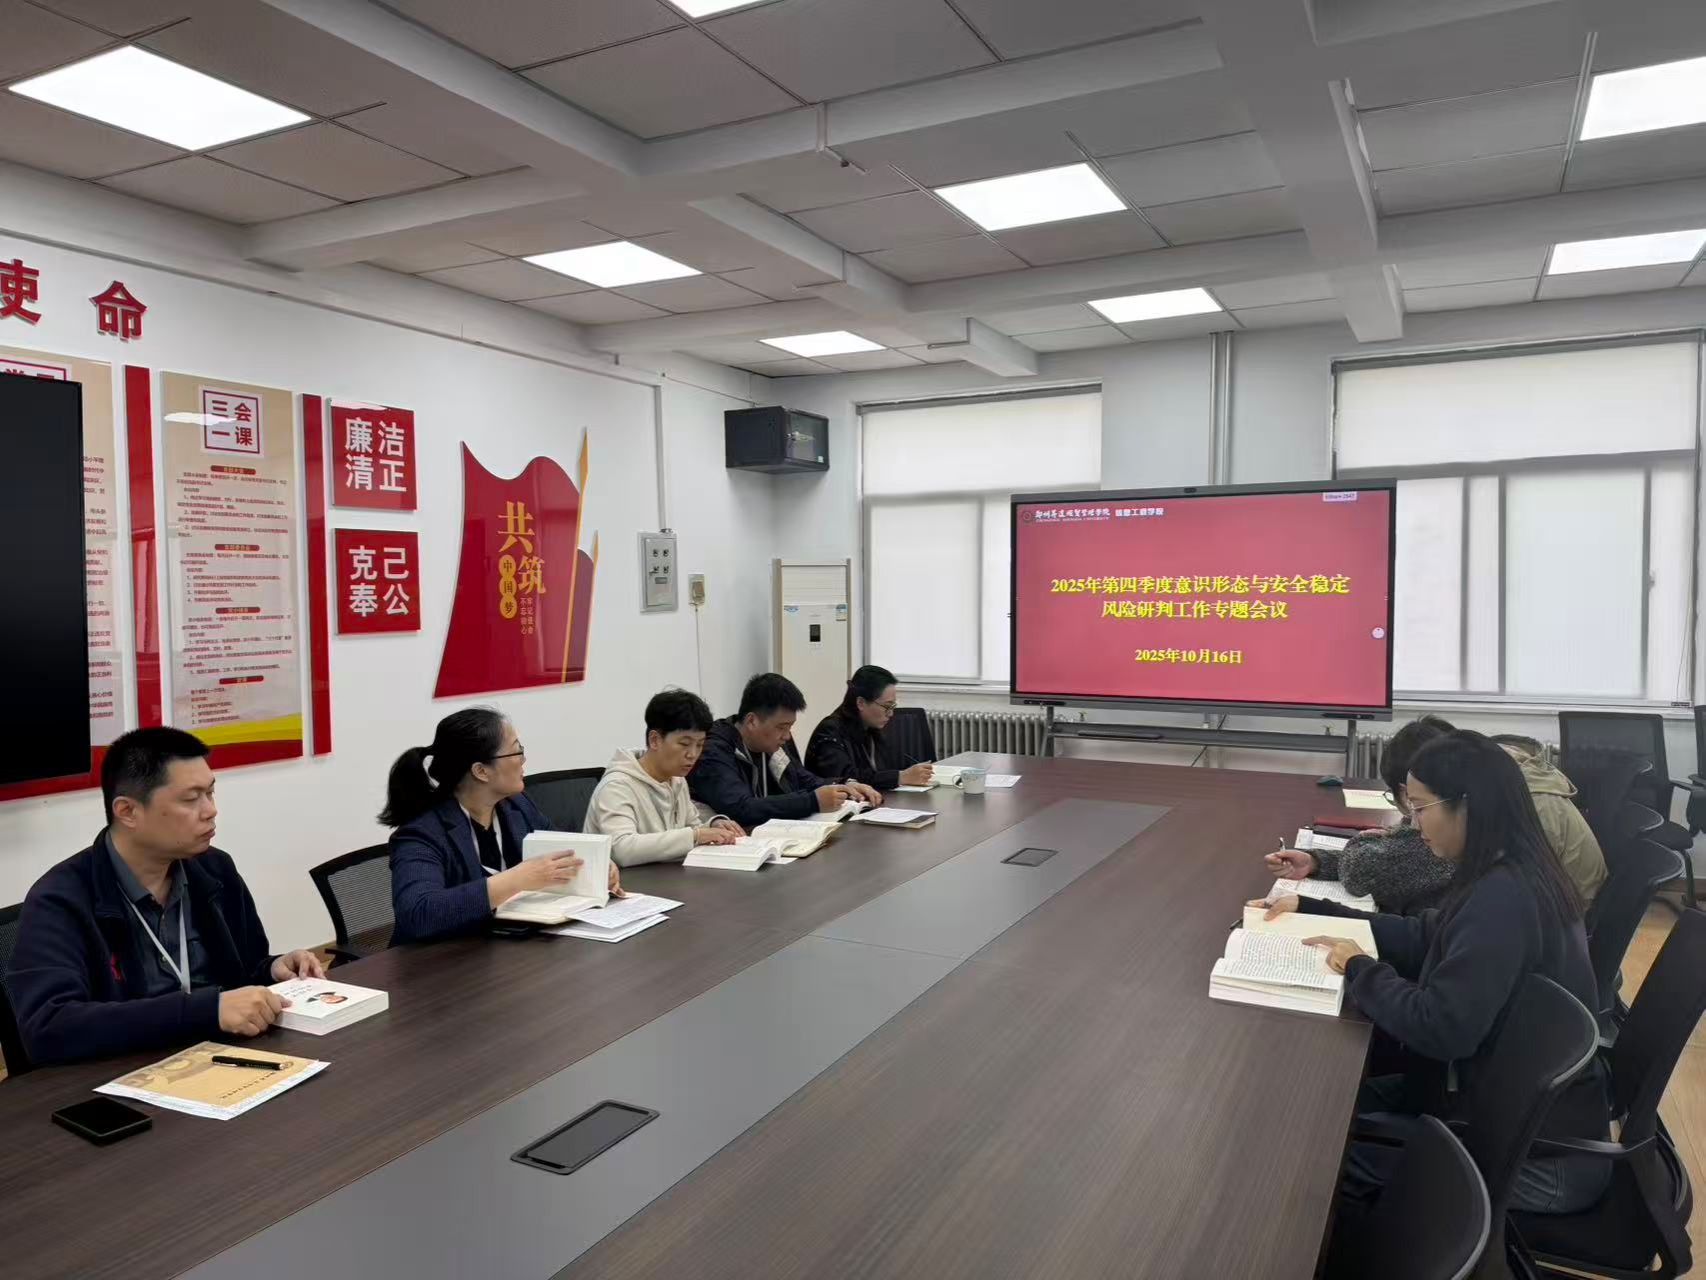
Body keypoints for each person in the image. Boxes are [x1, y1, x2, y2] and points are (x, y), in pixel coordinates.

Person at [1254, 730, 1609, 1214]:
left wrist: (1360, 967)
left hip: (1530, 1158)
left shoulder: (1504, 899)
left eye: (1421, 808)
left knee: (1307, 1158)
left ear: (1468, 805)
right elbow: (1427, 935)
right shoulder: (1509, 867)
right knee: (1316, 1107)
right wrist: (1318, 910)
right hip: (1492, 1101)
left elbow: (1440, 1028)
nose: (1413, 823)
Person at [9, 727, 325, 1066]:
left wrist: (272, 969)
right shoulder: (60, 899)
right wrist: (206, 1011)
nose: (210, 810)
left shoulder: (214, 870)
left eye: (210, 793)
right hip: (121, 1075)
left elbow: (243, 972)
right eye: (191, 799)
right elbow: (49, 1027)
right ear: (127, 811)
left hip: (221, 1062)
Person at [383, 708, 622, 945]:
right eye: (516, 751)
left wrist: (595, 866)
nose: (523, 760)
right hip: (438, 959)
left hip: (505, 945)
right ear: (481, 771)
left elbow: (559, 850)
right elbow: (418, 913)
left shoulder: (516, 805)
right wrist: (518, 879)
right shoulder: (421, 833)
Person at [1266, 716, 1457, 913]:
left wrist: (1367, 841)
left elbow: (1360, 872)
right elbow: (1387, 862)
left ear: (1406, 793)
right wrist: (1315, 862)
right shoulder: (1456, 821)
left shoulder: (1440, 841)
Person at [690, 673, 881, 830]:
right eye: (782, 727)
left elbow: (803, 779)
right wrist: (812, 802)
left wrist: (845, 785)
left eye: (790, 727)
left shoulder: (771, 743)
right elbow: (741, 808)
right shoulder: (713, 749)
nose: (787, 736)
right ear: (752, 721)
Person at [585, 689, 744, 867]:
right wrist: (696, 835)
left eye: (700, 745)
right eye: (684, 744)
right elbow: (622, 848)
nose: (693, 754)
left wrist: (713, 825)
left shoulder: (676, 779)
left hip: (667, 876)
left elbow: (692, 827)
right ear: (654, 740)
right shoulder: (616, 786)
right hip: (628, 882)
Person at [1492, 734, 1608, 908]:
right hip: (1559, 889)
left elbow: (1526, 882)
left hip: (1572, 905)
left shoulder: (1536, 804)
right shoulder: (1530, 783)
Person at [805, 665, 935, 793]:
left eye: (893, 706)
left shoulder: (870, 728)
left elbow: (879, 771)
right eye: (887, 706)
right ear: (861, 703)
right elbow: (847, 780)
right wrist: (901, 777)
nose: (891, 714)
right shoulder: (829, 731)